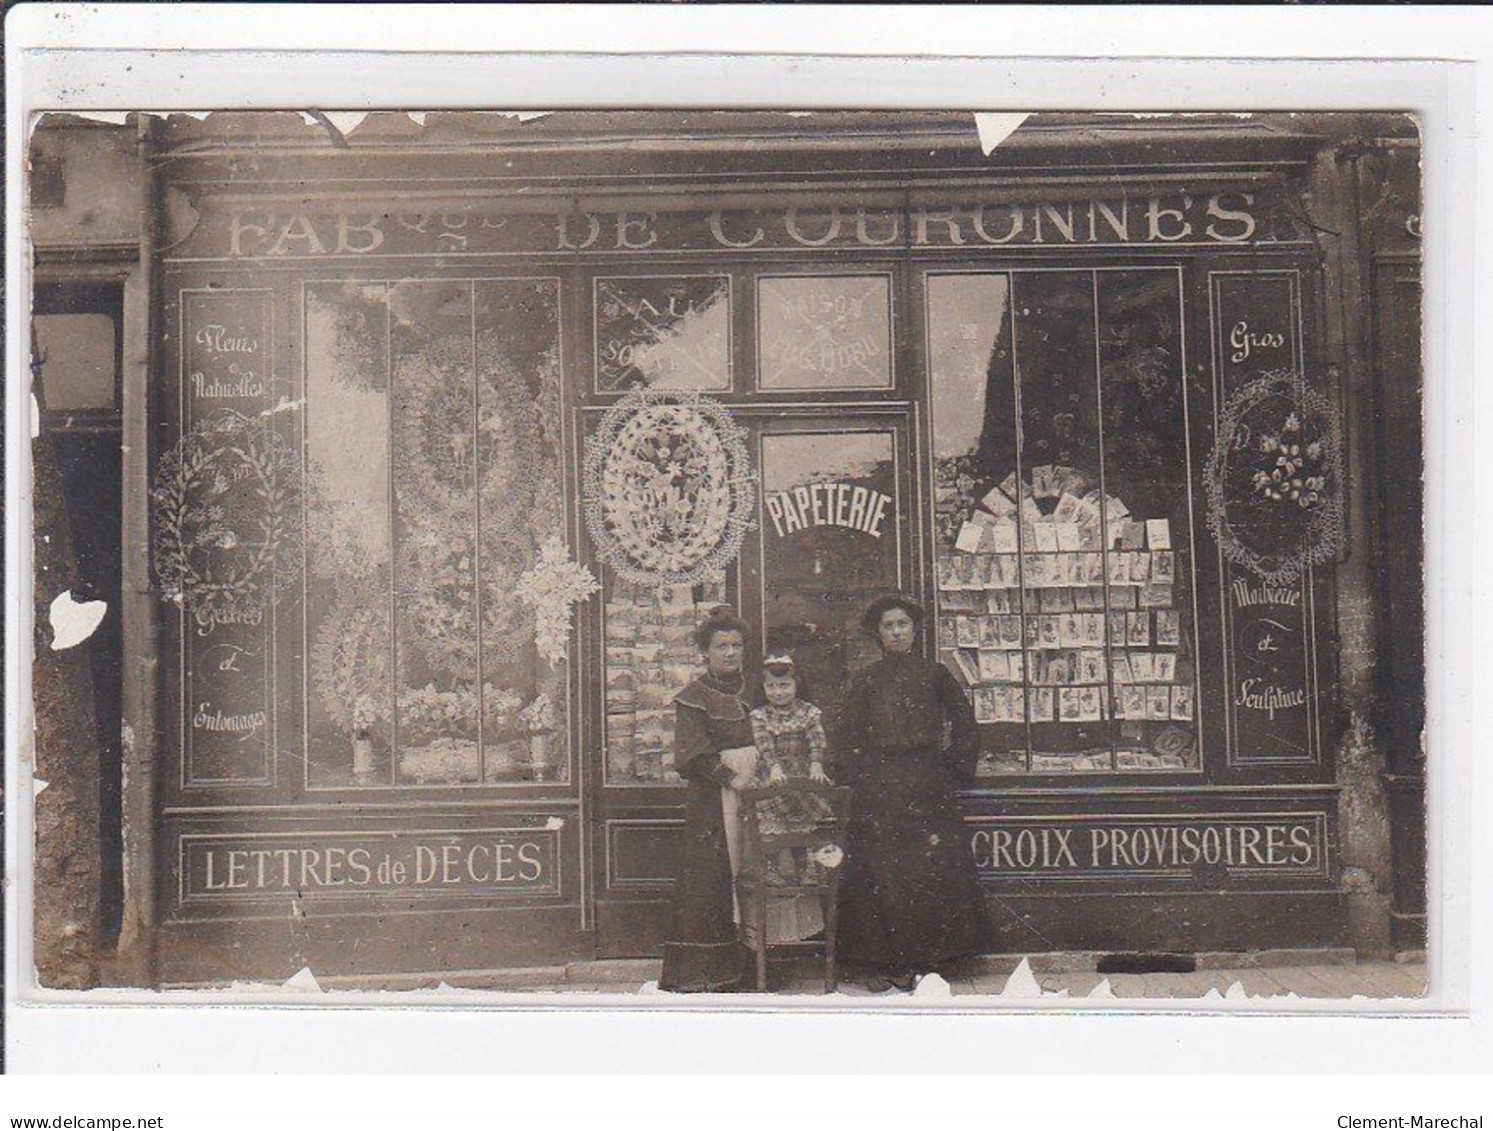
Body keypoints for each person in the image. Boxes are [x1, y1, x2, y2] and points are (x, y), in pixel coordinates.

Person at [835, 594, 994, 991]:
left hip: (927, 783)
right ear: (878, 634)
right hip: (881, 786)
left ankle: (930, 960)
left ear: (915, 629)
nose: (896, 632)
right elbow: (848, 735)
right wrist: (857, 775)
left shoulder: (934, 674)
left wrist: (954, 769)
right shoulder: (866, 680)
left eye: (902, 624)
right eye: (888, 626)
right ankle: (886, 961)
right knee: (884, 875)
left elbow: (964, 722)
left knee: (928, 873)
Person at [658, 607, 758, 992]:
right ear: (706, 652)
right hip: (712, 801)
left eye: (736, 645)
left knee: (754, 875)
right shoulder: (693, 697)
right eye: (721, 646)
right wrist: (733, 778)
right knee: (712, 881)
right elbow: (693, 756)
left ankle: (755, 964)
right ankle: (712, 972)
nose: (730, 653)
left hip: (757, 798)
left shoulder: (757, 689)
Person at [746, 652, 836, 944]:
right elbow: (764, 744)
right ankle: (772, 868)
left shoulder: (809, 712)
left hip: (803, 778)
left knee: (807, 824)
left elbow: (816, 739)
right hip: (775, 778)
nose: (778, 692)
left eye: (784, 685)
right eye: (772, 687)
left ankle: (807, 866)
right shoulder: (760, 716)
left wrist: (816, 763)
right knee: (772, 824)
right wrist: (773, 767)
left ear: (796, 684)